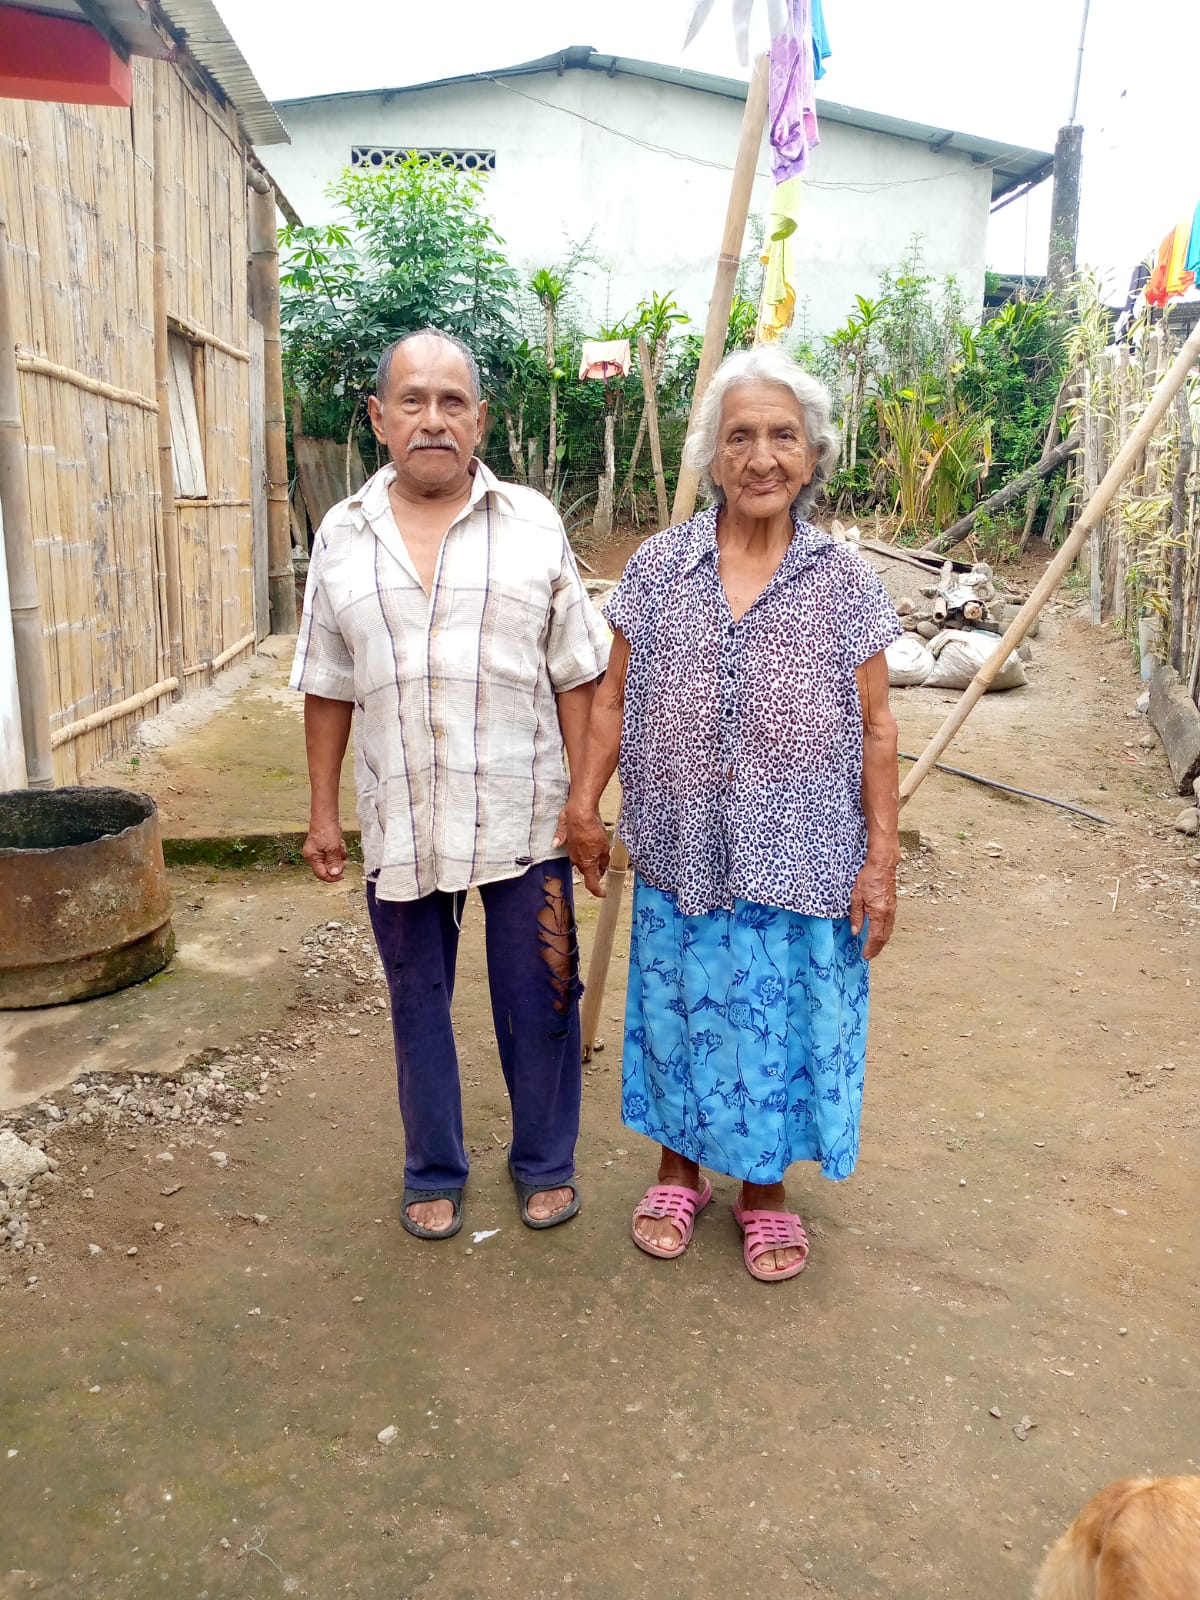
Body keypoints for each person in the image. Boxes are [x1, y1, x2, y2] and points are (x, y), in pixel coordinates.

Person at [565, 346, 901, 1283]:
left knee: (781, 1018)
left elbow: (879, 726)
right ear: (712, 457)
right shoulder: (659, 567)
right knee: (681, 1007)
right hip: (684, 851)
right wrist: (584, 804)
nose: (762, 457)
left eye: (783, 436)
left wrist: (881, 860)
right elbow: (612, 698)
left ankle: (764, 1189)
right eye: (740, 436)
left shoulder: (844, 583)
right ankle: (679, 1172)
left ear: (813, 454)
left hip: (805, 859)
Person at [291, 329, 609, 1241]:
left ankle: (545, 1161)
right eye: (413, 401)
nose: (433, 420)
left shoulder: (533, 524)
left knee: (543, 993)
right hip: (403, 814)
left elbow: (579, 676)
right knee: (416, 999)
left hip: (524, 811)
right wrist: (322, 813)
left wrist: (584, 806)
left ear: (481, 419)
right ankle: (432, 1166)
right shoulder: (342, 535)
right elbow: (327, 683)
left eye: (452, 402)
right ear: (378, 418)